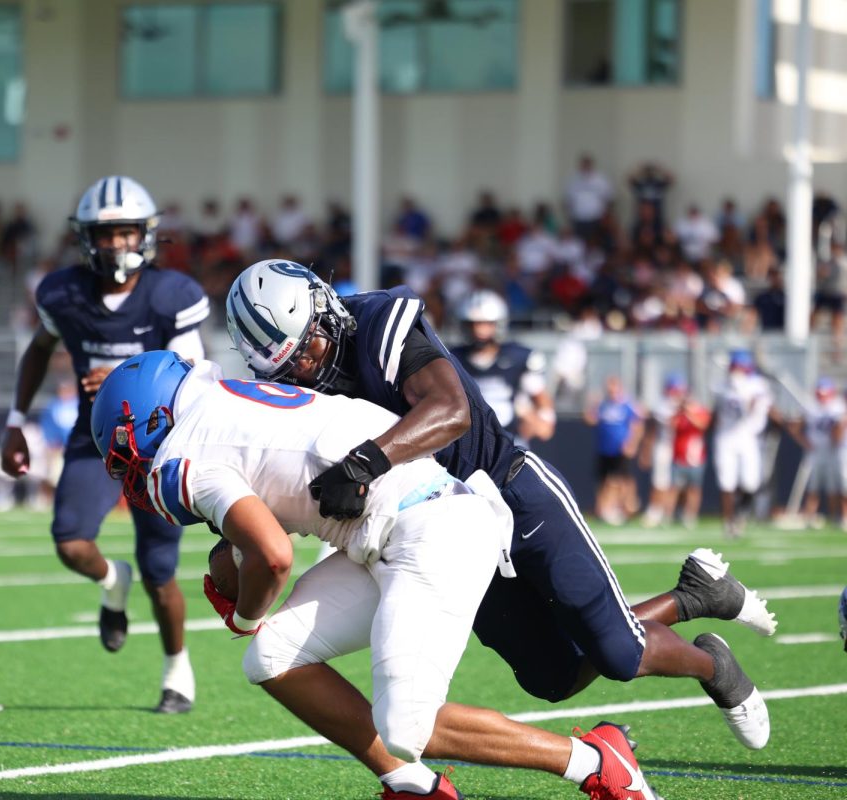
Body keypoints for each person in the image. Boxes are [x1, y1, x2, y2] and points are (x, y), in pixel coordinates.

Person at [224, 260, 773, 751]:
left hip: (509, 490)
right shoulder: (297, 387)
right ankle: (696, 594)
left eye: (308, 348)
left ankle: (715, 667)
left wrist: (367, 462)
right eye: (286, 366)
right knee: (555, 677)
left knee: (619, 654)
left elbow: (450, 409)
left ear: (323, 311)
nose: (303, 370)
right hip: (436, 533)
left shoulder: (376, 323)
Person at [91, 350, 663, 800]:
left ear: (147, 422)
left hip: (429, 528)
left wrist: (246, 612)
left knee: (407, 725)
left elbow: (271, 555)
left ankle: (596, 760)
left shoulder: (180, 455)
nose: (133, 473)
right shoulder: (224, 401)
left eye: (126, 455)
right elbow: (277, 504)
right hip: (396, 524)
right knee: (272, 657)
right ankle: (410, 784)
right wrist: (237, 564)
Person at [0, 175, 209, 714]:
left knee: (161, 573)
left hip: (159, 446)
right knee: (71, 542)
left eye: (126, 232)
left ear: (146, 234)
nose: (117, 243)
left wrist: (122, 376)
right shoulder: (63, 292)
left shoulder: (170, 295)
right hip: (94, 439)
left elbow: (196, 376)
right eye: (106, 233)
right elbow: (39, 350)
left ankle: (176, 669)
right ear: (88, 238)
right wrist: (15, 420)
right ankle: (114, 582)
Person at [453, 289, 556, 445]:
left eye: (486, 324)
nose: (479, 330)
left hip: (510, 441)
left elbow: (540, 398)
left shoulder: (518, 357)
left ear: (498, 324)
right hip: (467, 442)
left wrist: (544, 419)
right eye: (473, 324)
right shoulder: (453, 358)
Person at [711, 349, 773, 539]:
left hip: (747, 437)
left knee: (751, 483)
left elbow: (756, 410)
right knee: (726, 483)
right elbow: (720, 410)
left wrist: (746, 397)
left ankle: (740, 514)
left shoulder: (757, 385)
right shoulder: (722, 386)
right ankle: (729, 522)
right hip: (725, 437)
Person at [584, 375, 643, 526]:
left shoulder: (627, 405)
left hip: (620, 449)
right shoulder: (603, 405)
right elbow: (590, 419)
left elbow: (637, 425)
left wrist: (632, 444)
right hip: (604, 449)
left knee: (620, 480)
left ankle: (623, 508)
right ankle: (604, 509)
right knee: (603, 480)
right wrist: (592, 404)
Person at [795, 377, 845, 528]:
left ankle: (839, 517)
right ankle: (811, 517)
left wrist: (836, 441)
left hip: (836, 452)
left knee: (838, 486)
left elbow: (839, 429)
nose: (822, 397)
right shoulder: (810, 406)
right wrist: (805, 442)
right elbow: (797, 426)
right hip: (816, 452)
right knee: (813, 487)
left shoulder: (838, 406)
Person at [639, 373, 687, 527]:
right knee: (661, 481)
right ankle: (655, 510)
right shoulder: (663, 405)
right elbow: (661, 427)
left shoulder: (685, 406)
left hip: (681, 447)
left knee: (678, 482)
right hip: (664, 446)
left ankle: (668, 512)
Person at [670, 389, 712, 530]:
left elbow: (703, 426)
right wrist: (680, 412)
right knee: (676, 488)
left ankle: (690, 515)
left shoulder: (700, 412)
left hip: (696, 457)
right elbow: (672, 426)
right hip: (679, 456)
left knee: (694, 489)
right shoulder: (679, 414)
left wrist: (689, 413)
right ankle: (671, 514)